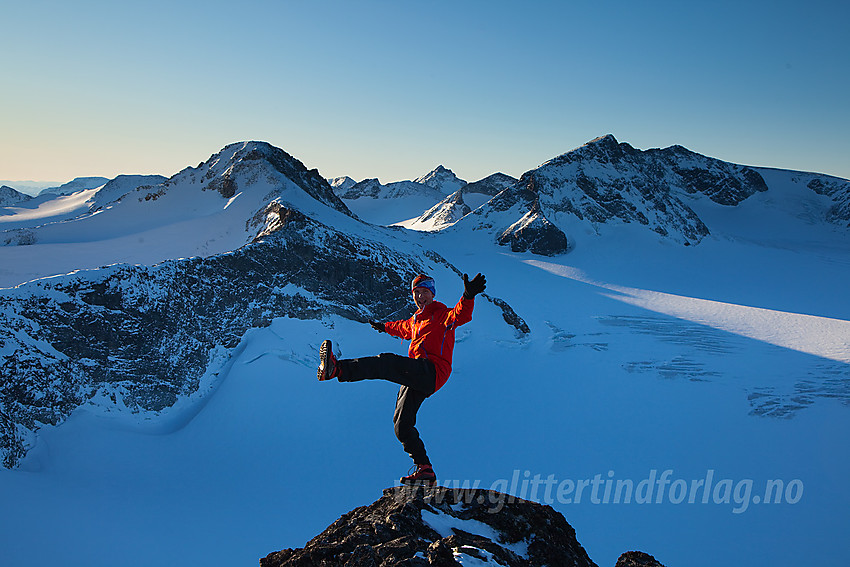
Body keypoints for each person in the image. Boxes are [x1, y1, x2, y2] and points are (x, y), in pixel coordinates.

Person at [317, 272, 486, 485]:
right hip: (417, 376)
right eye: (417, 293)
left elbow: (460, 315)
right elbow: (401, 328)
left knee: (386, 363)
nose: (420, 296)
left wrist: (468, 295)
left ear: (432, 294)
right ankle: (425, 470)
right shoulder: (415, 321)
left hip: (432, 370)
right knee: (401, 424)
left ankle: (337, 370)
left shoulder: (441, 313)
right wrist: (383, 327)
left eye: (424, 292)